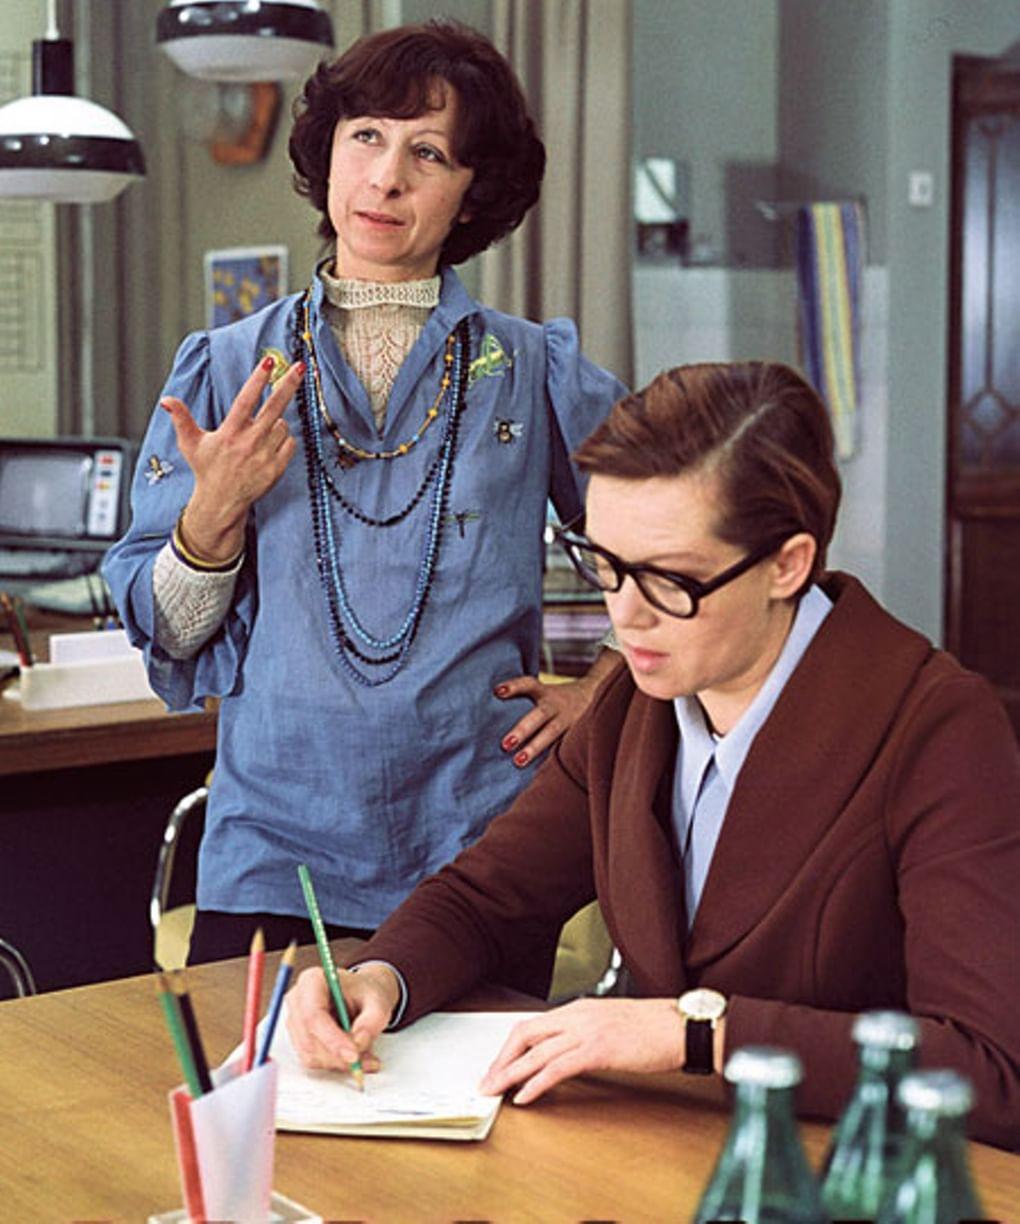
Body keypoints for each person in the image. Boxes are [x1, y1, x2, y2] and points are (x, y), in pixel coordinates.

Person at [285, 360, 1020, 1150]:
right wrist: (378, 978)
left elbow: (990, 1070)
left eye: (668, 579)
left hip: (851, 1173)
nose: (625, 615)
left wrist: (696, 1033)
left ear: (788, 564)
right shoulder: (636, 707)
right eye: (605, 564)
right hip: (668, 1151)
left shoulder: (936, 727)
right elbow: (487, 899)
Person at [103, 20, 624, 965]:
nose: (386, 178)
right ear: (330, 152)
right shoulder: (228, 367)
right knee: (259, 1066)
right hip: (272, 845)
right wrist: (211, 515)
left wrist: (608, 687)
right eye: (368, 137)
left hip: (481, 842)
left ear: (472, 192)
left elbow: (686, 547)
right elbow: (170, 635)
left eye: (429, 153)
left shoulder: (535, 371)